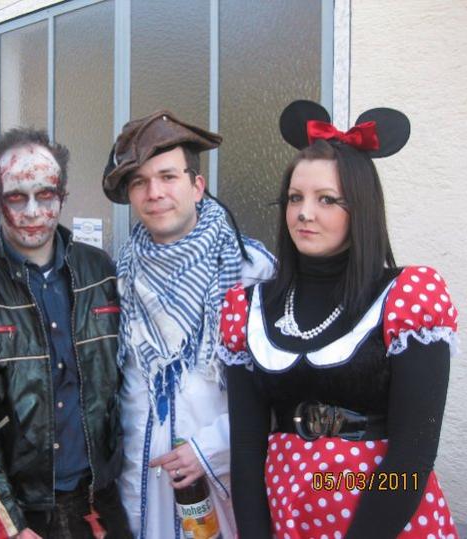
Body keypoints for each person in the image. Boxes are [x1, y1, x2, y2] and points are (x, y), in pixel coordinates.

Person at [221, 100, 459, 538]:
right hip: (289, 514)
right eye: (295, 198)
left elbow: (413, 455)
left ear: (361, 208)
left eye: (326, 199)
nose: (304, 213)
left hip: (384, 519)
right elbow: (247, 448)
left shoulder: (408, 297)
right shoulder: (247, 308)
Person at [0, 128, 130, 539]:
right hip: (24, 510)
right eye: (16, 197)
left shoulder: (100, 270)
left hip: (102, 500)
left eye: (45, 195)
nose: (32, 211)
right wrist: (9, 526)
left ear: (62, 195)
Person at [101, 110, 275, 538]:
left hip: (224, 481)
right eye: (139, 182)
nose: (154, 192)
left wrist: (209, 448)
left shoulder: (249, 270)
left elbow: (279, 391)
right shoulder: (120, 274)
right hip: (143, 490)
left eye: (168, 177)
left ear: (197, 186)